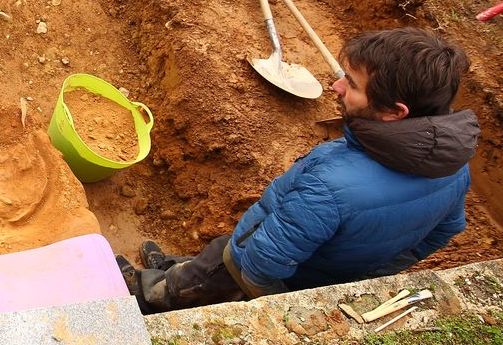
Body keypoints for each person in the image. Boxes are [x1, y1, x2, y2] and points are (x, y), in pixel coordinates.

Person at [119, 27, 478, 313]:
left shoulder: (331, 188)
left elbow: (259, 265)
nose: (336, 86)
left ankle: (149, 292)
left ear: (395, 112)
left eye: (352, 84)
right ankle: (169, 266)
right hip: (313, 266)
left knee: (195, 281)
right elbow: (445, 230)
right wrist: (372, 271)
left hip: (243, 263)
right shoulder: (452, 166)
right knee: (200, 264)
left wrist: (266, 300)